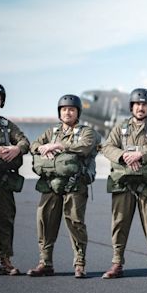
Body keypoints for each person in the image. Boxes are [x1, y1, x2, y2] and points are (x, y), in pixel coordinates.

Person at [28, 95, 99, 278]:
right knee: (44, 221)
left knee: (75, 223)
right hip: (50, 184)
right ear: (59, 112)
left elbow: (85, 147)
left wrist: (58, 146)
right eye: (64, 109)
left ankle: (79, 263)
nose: (67, 112)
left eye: (71, 109)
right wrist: (42, 148)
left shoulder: (86, 132)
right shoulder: (51, 132)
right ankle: (45, 262)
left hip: (75, 185)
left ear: (78, 113)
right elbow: (34, 144)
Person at [102, 88, 147, 279]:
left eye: (144, 104)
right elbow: (107, 147)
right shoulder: (121, 128)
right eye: (137, 104)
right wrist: (124, 156)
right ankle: (117, 263)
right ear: (131, 106)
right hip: (124, 184)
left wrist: (140, 155)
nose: (140, 107)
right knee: (119, 223)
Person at [0, 82, 29, 275]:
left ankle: (5, 260)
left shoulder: (5, 125)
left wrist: (16, 148)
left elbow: (24, 141)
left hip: (2, 181)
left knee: (4, 220)